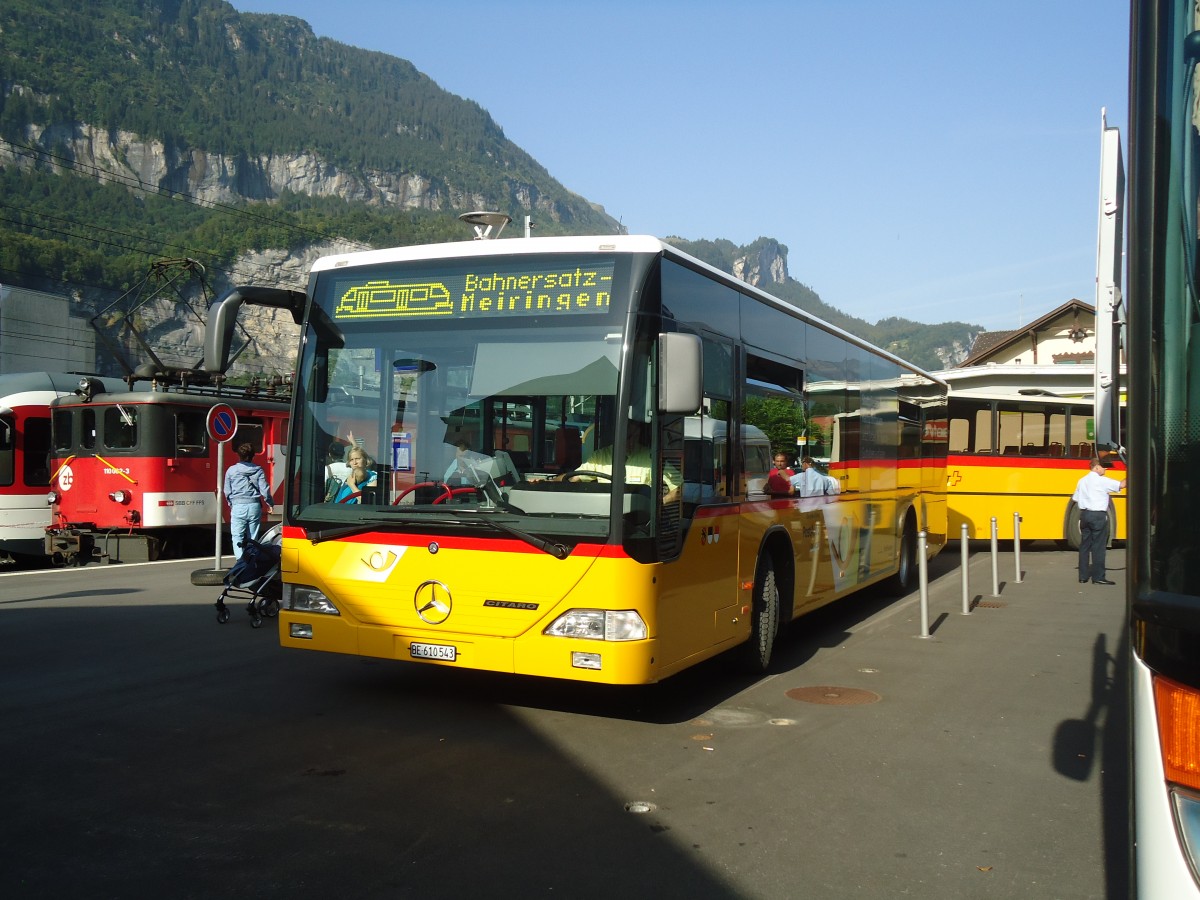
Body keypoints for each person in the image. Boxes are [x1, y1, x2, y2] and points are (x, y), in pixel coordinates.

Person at [572, 423, 680, 500]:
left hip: (639, 519)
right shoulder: (599, 457)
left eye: (635, 437)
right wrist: (555, 483)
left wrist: (659, 504)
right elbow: (575, 478)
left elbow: (679, 487)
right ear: (616, 435)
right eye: (627, 437)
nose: (631, 442)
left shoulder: (652, 457)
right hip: (605, 517)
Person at [1071, 456, 1127, 585]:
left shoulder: (1082, 480)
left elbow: (1076, 498)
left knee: (1085, 546)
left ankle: (1083, 576)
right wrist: (1132, 472)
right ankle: (1098, 577)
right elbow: (1122, 484)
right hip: (1098, 516)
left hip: (1084, 515)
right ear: (1096, 467)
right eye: (1103, 467)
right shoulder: (1102, 481)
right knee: (1098, 547)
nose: (1105, 469)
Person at [224, 442, 274, 560]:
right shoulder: (258, 470)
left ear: (238, 455)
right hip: (254, 506)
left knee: (237, 536)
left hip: (238, 506)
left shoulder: (231, 470)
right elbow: (265, 490)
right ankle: (251, 560)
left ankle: (240, 561)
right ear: (253, 455)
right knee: (252, 537)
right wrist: (270, 503)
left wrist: (231, 503)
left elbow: (227, 491)